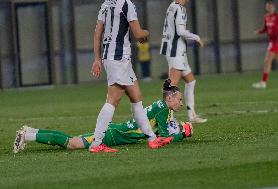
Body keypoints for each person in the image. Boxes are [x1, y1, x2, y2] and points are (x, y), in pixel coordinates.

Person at [13, 79, 193, 154]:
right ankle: (27, 135)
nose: (181, 103)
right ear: (169, 98)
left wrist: (178, 129)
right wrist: (182, 133)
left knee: (73, 141)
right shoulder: (163, 109)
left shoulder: (162, 106)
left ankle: (31, 131)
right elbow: (162, 137)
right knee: (73, 143)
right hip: (113, 134)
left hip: (117, 132)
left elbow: (164, 129)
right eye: (179, 99)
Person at [89, 0, 172, 153]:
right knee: (113, 99)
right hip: (119, 59)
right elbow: (138, 34)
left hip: (113, 58)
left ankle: (152, 139)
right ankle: (96, 143)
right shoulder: (127, 4)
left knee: (136, 97)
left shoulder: (106, 4)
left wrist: (97, 58)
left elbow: (97, 33)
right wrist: (147, 33)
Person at [160, 0, 207, 124]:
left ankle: (192, 115)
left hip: (174, 49)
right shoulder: (179, 8)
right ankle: (167, 119)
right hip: (176, 51)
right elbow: (180, 31)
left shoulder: (172, 6)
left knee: (191, 81)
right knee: (172, 86)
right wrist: (197, 38)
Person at [252, 1, 278, 89]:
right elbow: (266, 28)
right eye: (267, 7)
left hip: (276, 42)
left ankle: (263, 83)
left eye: (271, 7)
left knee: (267, 61)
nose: (269, 8)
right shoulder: (266, 17)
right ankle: (263, 83)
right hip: (271, 41)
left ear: (274, 8)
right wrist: (259, 32)